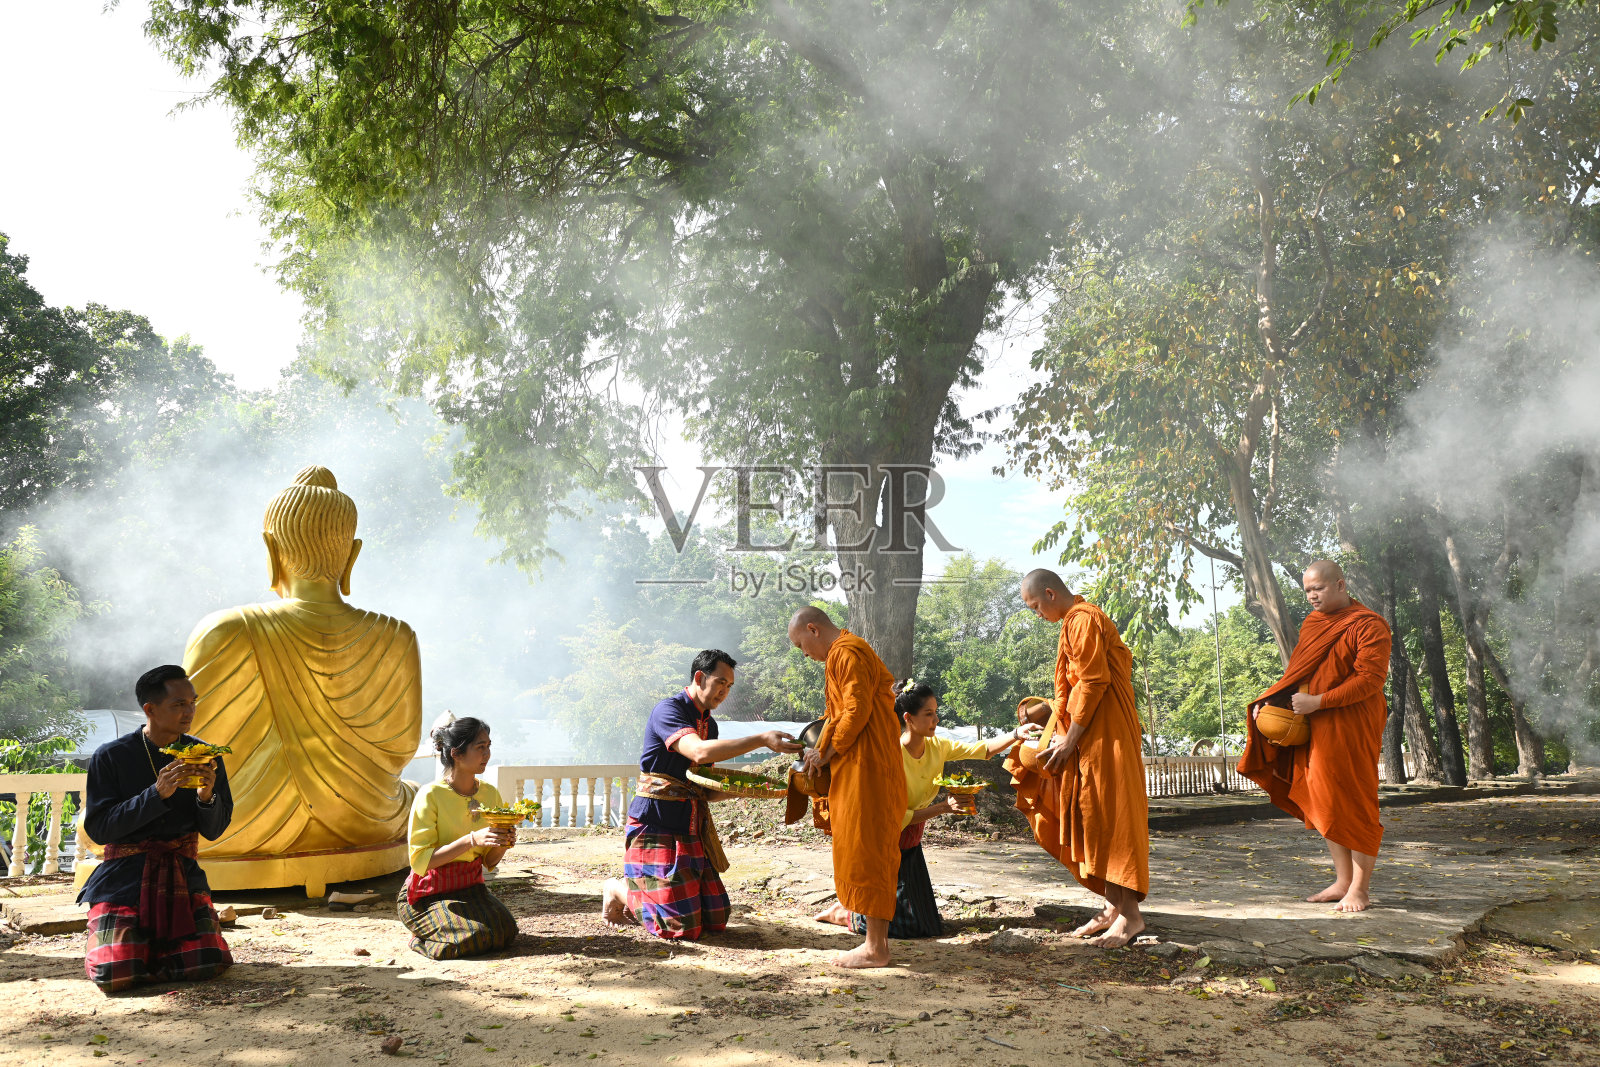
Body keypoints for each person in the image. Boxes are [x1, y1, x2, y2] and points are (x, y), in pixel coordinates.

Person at [183, 464, 422, 895]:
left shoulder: (227, 629)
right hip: (370, 821)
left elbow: (195, 751)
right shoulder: (398, 635)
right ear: (352, 555)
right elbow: (403, 747)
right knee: (419, 796)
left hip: (241, 830)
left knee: (105, 821)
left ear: (271, 550)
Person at [816, 680, 1041, 939]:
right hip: (882, 843)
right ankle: (845, 913)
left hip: (910, 844)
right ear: (908, 718)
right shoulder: (891, 755)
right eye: (928, 714)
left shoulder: (937, 747)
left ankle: (859, 909)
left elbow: (983, 749)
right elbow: (897, 817)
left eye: (936, 712)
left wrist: (1016, 733)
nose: (936, 720)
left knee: (929, 927)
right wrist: (944, 807)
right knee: (904, 928)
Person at [601, 650, 800, 940]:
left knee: (716, 919)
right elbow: (698, 752)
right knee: (678, 928)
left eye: (729, 686)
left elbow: (704, 789)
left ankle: (651, 896)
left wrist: (748, 791)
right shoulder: (669, 710)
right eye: (720, 682)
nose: (725, 691)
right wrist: (761, 739)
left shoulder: (711, 724)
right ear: (699, 677)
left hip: (690, 824)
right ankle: (616, 889)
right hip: (655, 822)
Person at [1237, 560, 1392, 913]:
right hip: (1316, 722)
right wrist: (1273, 705)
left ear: (1340, 584)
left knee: (1356, 799)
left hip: (1353, 724)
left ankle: (1360, 889)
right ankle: (1342, 881)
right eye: (1307, 590)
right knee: (1325, 798)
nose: (1311, 596)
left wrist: (1318, 702)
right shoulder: (1313, 623)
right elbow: (1299, 673)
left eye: (1318, 588)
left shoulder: (1368, 625)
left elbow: (1370, 681)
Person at [1009, 569, 1150, 947]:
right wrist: (1051, 714)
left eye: (1035, 606)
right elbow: (1078, 687)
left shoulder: (1082, 620)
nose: (1037, 614)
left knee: (1111, 819)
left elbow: (1093, 682)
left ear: (1050, 593)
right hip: (1095, 735)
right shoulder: (1079, 619)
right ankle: (1114, 908)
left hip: (1104, 738)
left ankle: (1131, 917)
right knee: (1094, 818)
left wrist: (1069, 741)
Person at [78, 665, 234, 993]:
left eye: (192, 703)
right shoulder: (111, 756)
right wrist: (155, 795)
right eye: (179, 704)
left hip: (182, 874)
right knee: (115, 973)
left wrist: (206, 796)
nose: (189, 712)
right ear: (150, 709)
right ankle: (137, 952)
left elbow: (215, 830)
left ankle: (149, 956)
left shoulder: (205, 756)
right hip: (124, 878)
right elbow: (100, 829)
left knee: (206, 962)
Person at [791, 607, 907, 968]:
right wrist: (820, 747)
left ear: (813, 629)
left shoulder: (846, 652)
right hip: (860, 764)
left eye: (800, 645)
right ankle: (862, 926)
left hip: (868, 766)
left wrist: (827, 752)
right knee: (858, 845)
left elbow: (855, 710)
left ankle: (876, 948)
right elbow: (840, 714)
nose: (804, 654)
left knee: (869, 848)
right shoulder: (845, 652)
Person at [400, 715, 519, 959]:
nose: (487, 754)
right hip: (428, 894)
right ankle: (419, 941)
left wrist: (504, 842)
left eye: (488, 746)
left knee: (506, 931)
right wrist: (471, 840)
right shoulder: (430, 795)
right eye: (480, 747)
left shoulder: (489, 794)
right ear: (456, 753)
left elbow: (489, 861)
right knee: (476, 936)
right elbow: (421, 862)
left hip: (470, 889)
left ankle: (443, 933)